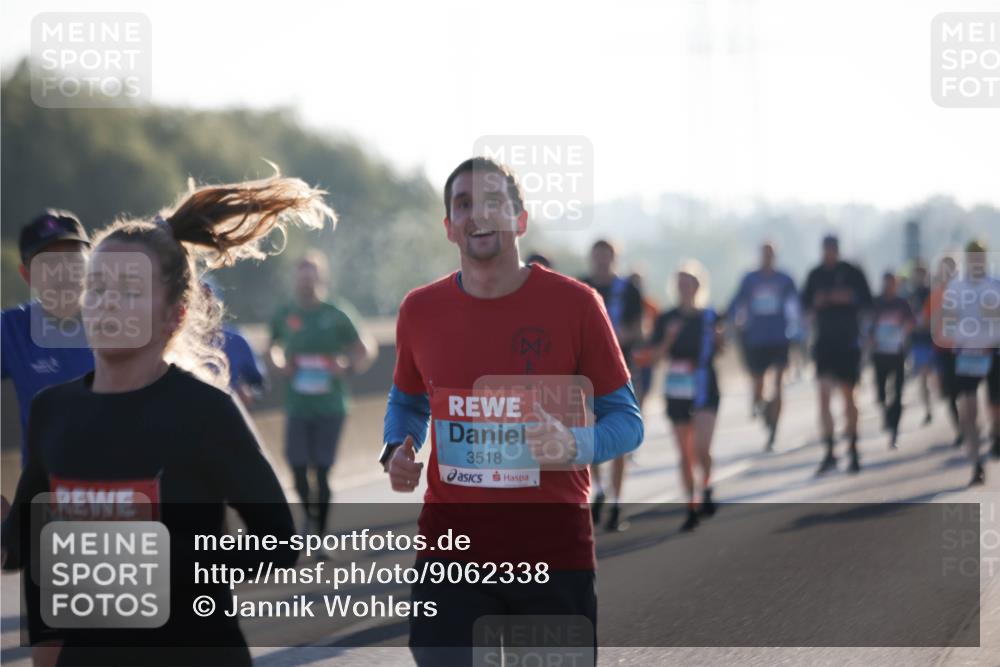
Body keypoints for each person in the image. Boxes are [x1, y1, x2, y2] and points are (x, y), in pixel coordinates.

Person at [1, 173, 331, 665]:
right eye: (98, 286)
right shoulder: (54, 410)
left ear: (174, 315)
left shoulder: (205, 412)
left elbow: (278, 542)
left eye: (130, 290)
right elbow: (26, 547)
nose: (108, 301)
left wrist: (170, 562)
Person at [380, 157, 643, 666]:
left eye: (494, 202)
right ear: (449, 227)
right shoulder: (419, 310)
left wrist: (575, 445)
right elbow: (407, 398)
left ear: (520, 219)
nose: (479, 214)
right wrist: (397, 446)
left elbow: (627, 421)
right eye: (464, 205)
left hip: (551, 554)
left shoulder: (577, 305)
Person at [269, 250, 378, 536]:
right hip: (297, 404)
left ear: (321, 278)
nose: (306, 283)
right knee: (297, 467)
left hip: (331, 405)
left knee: (322, 470)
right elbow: (272, 349)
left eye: (312, 276)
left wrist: (348, 365)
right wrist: (281, 364)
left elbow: (364, 348)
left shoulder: (337, 313)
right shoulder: (285, 314)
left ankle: (320, 533)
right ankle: (308, 516)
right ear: (296, 280)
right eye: (302, 277)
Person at [1, 210, 95, 467]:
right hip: (46, 496)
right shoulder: (11, 330)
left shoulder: (128, 320)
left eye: (72, 258)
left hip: (127, 492)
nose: (63, 271)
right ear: (26, 274)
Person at [643, 261, 722, 531]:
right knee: (685, 451)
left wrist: (720, 339)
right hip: (677, 387)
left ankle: (707, 485)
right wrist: (668, 338)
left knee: (701, 447)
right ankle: (691, 504)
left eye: (689, 284)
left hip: (704, 384)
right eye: (680, 284)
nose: (684, 289)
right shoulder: (666, 318)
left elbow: (721, 349)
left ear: (698, 286)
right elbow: (653, 357)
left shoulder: (710, 316)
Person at [580, 239, 643, 531]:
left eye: (607, 255)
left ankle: (617, 501)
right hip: (585, 376)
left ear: (614, 258)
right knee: (589, 434)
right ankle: (599, 491)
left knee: (618, 440)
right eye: (598, 255)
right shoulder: (580, 287)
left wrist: (611, 339)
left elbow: (637, 330)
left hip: (619, 374)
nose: (602, 260)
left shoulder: (628, 290)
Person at [801, 235, 873, 474]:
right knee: (822, 396)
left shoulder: (851, 272)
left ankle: (852, 446)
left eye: (833, 249)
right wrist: (816, 304)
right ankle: (829, 450)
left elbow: (867, 301)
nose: (830, 252)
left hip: (848, 342)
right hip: (823, 343)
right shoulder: (815, 275)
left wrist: (844, 297)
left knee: (848, 396)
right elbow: (804, 304)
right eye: (826, 249)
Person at [726, 242, 799, 450]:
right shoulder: (750, 279)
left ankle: (774, 429)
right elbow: (736, 302)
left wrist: (797, 331)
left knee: (778, 384)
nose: (768, 257)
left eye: (771, 254)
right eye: (765, 254)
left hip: (779, 338)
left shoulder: (785, 279)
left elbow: (795, 305)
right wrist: (728, 321)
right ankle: (764, 407)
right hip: (756, 338)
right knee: (758, 385)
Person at [939, 240, 1000, 485]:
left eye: (980, 256)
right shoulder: (955, 287)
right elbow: (948, 320)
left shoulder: (995, 284)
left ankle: (996, 434)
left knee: (996, 408)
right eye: (972, 256)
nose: (976, 261)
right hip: (967, 354)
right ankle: (976, 464)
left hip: (993, 352)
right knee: (968, 410)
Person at [869, 271, 915, 449]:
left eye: (892, 283)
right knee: (881, 393)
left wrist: (902, 331)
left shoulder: (902, 303)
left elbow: (911, 321)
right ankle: (886, 412)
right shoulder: (876, 302)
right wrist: (871, 337)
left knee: (898, 392)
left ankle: (894, 429)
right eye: (886, 283)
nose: (889, 286)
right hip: (880, 354)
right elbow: (868, 323)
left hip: (897, 353)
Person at [925, 256, 963, 447]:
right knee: (950, 394)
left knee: (967, 392)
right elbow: (927, 323)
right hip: (942, 351)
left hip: (964, 349)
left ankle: (970, 425)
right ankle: (960, 429)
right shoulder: (935, 295)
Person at [907, 261, 936, 425]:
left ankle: (941, 400)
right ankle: (928, 409)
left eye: (922, 273)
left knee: (936, 377)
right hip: (919, 341)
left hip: (934, 341)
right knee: (923, 377)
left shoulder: (932, 293)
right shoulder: (911, 295)